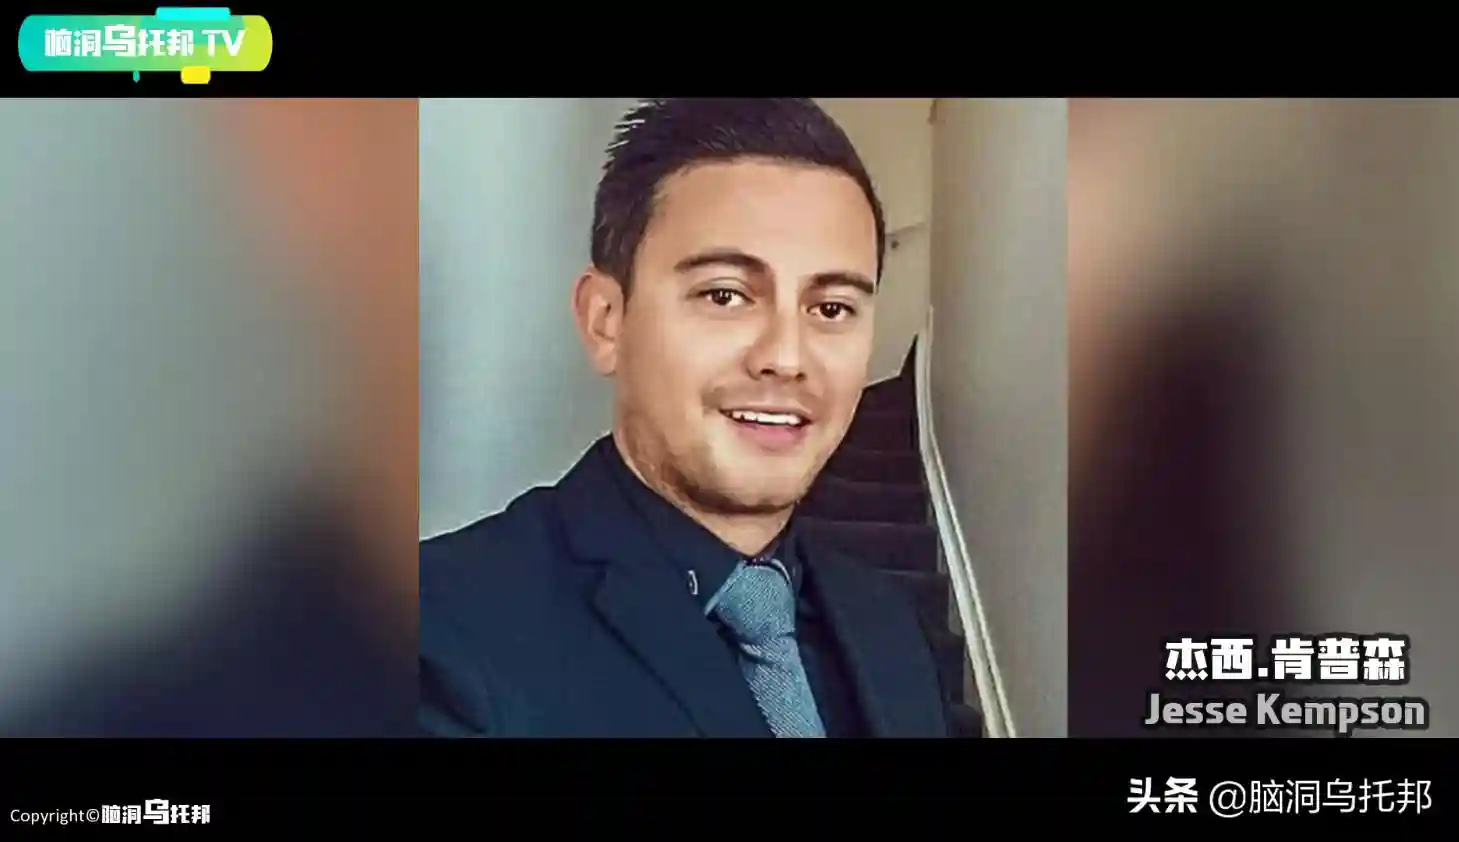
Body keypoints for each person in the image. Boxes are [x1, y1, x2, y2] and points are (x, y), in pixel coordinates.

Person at [419, 98, 956, 737]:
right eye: (725, 295)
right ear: (605, 321)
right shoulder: (436, 633)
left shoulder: (890, 621)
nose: (787, 358)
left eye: (832, 308)